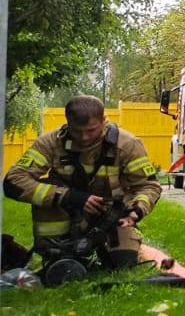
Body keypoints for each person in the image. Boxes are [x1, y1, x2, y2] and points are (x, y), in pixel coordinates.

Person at [3, 95, 163, 274]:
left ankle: (111, 250)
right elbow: (13, 181)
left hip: (110, 216)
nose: (84, 137)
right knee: (61, 268)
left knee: (122, 265)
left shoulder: (127, 144)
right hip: (66, 212)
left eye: (91, 130)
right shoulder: (51, 142)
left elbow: (149, 186)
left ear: (104, 120)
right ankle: (56, 253)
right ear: (67, 122)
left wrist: (136, 211)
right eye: (76, 131)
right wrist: (70, 197)